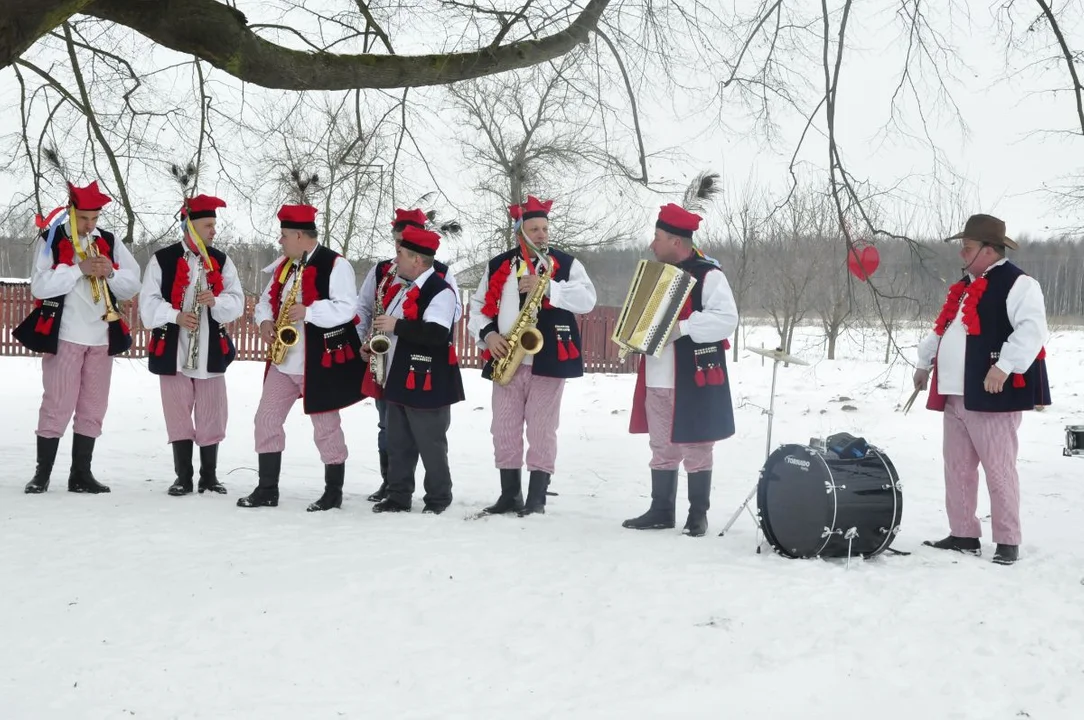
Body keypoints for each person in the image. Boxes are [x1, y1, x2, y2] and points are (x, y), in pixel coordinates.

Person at [913, 214, 1050, 566]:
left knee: (999, 468)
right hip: (955, 392)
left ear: (988, 250)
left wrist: (1003, 366)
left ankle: (1007, 540)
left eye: (968, 248)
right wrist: (923, 362)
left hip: (992, 394)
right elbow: (943, 329)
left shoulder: (1019, 284)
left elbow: (1033, 331)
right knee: (956, 467)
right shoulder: (964, 287)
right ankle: (963, 534)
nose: (962, 254)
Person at [467, 196, 597, 516]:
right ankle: (509, 495)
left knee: (541, 428)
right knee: (504, 427)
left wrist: (548, 286)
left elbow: (587, 300)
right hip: (507, 357)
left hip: (548, 359)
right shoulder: (499, 264)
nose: (541, 234)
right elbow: (477, 307)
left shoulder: (565, 264)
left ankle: (536, 498)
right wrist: (489, 334)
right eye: (534, 228)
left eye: (544, 229)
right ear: (519, 232)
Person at [237, 202, 365, 511]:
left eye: (283, 235)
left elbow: (347, 308)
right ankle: (267, 489)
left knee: (325, 426)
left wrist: (309, 311)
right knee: (265, 419)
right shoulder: (285, 266)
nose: (279, 241)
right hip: (285, 360)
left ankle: (332, 493)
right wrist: (266, 321)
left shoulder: (336, 265)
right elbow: (267, 300)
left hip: (318, 361)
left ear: (298, 235)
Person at [16, 180, 141, 494]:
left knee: (94, 406)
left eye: (94, 218)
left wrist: (110, 272)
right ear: (71, 212)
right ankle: (42, 474)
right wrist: (78, 268)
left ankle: (80, 474)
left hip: (101, 337)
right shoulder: (52, 238)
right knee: (57, 402)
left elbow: (133, 282)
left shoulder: (109, 241)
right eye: (84, 218)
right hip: (66, 335)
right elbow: (40, 287)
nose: (89, 225)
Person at [622, 202, 738, 537]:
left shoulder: (709, 275)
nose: (651, 244)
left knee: (697, 445)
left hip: (694, 375)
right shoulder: (654, 276)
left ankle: (697, 515)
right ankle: (661, 510)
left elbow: (726, 319)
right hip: (658, 374)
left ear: (675, 241)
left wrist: (683, 327)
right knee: (661, 444)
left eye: (657, 237)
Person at [139, 194, 245, 496]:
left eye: (214, 225)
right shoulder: (162, 259)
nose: (214, 231)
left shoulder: (222, 261)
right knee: (177, 411)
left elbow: (236, 301)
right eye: (208, 225)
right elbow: (148, 305)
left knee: (212, 411)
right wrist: (176, 316)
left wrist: (216, 301)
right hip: (173, 348)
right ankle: (183, 476)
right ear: (191, 225)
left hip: (210, 349)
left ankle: (208, 476)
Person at [355, 206, 461, 503]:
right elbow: (383, 322)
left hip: (427, 377)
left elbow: (438, 333)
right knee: (398, 439)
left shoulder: (440, 290)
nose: (396, 256)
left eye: (402, 254)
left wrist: (396, 325)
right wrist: (372, 341)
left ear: (417, 260)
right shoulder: (402, 287)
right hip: (398, 373)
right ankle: (398, 495)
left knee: (430, 441)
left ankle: (438, 497)